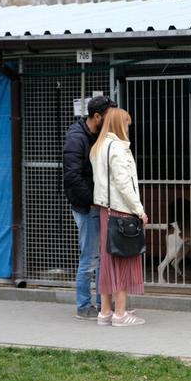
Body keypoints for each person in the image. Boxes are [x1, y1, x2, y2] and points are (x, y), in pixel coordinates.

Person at [90, 107, 148, 327]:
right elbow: (124, 184)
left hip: (105, 210)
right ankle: (121, 315)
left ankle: (105, 312)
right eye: (126, 124)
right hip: (122, 210)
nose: (128, 128)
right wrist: (139, 210)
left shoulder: (98, 147)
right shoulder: (118, 149)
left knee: (107, 260)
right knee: (123, 260)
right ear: (118, 124)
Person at [63, 95, 116, 320]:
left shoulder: (101, 135)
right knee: (90, 257)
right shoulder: (76, 138)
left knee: (103, 256)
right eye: (109, 117)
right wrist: (93, 200)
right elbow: (72, 176)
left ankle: (102, 304)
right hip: (87, 206)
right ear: (96, 117)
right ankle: (83, 306)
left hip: (100, 203)